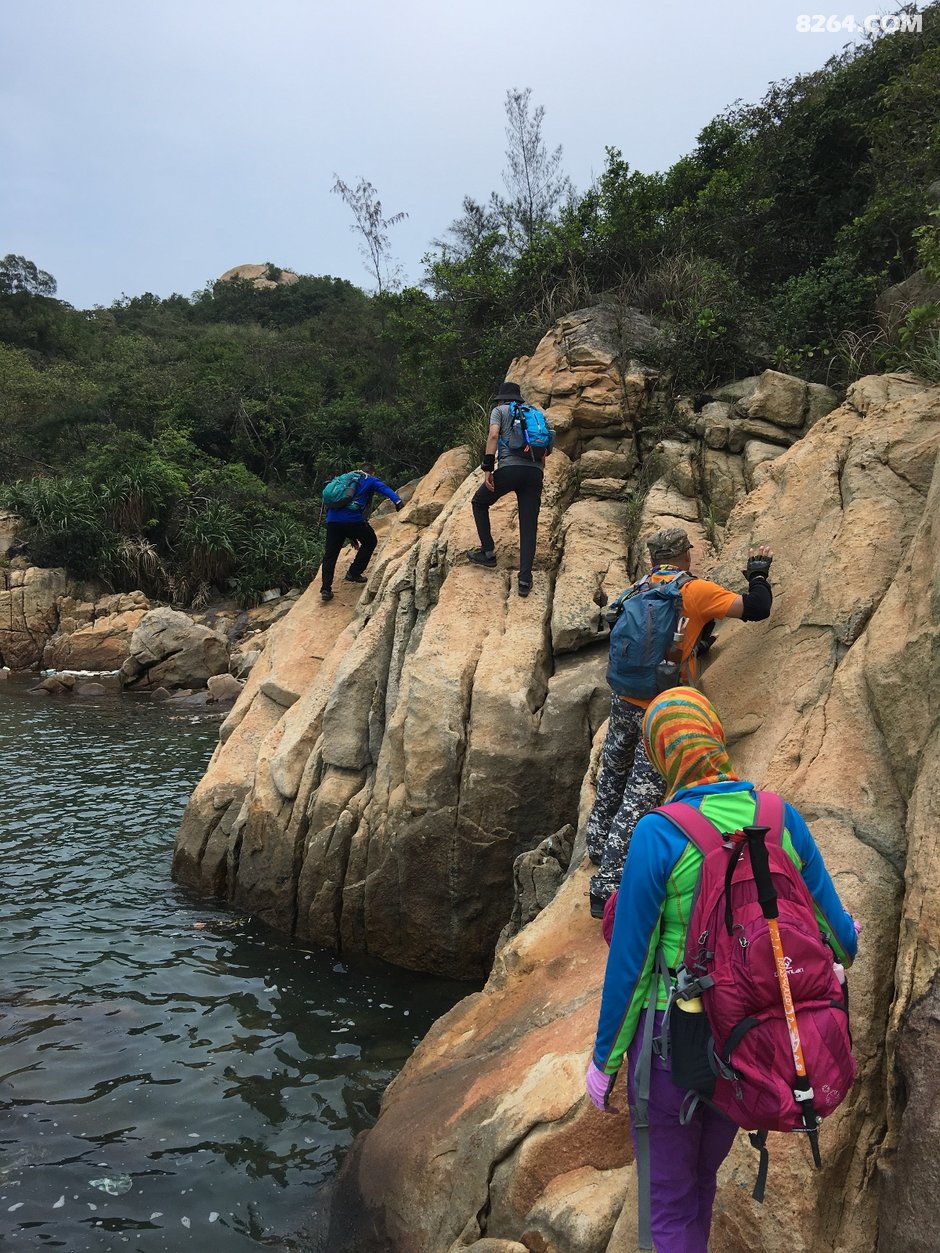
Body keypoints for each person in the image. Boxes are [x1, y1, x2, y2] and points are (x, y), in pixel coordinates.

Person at [585, 687, 859, 1253]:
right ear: (715, 735)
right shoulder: (780, 815)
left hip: (671, 1047)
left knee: (667, 1201)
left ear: (662, 755)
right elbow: (841, 941)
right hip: (745, 1045)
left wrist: (603, 1063)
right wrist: (845, 926)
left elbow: (630, 966)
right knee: (701, 1181)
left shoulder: (658, 833)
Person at [586, 528, 774, 917]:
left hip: (624, 697)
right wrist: (758, 574)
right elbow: (757, 608)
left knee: (613, 774)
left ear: (654, 558)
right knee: (642, 793)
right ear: (684, 555)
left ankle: (597, 842)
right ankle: (605, 889)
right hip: (663, 708)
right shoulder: (694, 591)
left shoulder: (638, 587)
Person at [466, 381, 549, 598]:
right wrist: (537, 473)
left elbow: (493, 436)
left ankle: (488, 553)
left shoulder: (499, 411)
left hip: (510, 469)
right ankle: (524, 580)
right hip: (534, 473)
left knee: (479, 502)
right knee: (528, 524)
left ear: (502, 399)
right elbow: (545, 448)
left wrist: (487, 467)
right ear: (519, 399)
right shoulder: (534, 413)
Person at [319, 467, 403, 602]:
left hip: (332, 521)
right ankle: (354, 572)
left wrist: (352, 537)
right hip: (353, 521)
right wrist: (398, 502)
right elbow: (384, 489)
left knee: (330, 555)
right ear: (372, 472)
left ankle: (325, 589)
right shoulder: (369, 479)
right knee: (370, 541)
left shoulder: (346, 478)